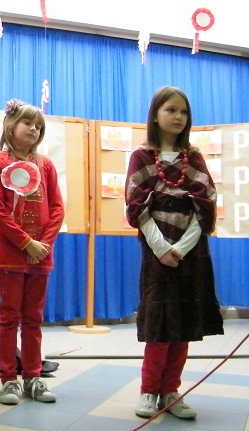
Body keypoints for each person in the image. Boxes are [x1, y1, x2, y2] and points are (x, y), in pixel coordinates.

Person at [125, 86, 224, 420]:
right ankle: (148, 391)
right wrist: (162, 248)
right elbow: (137, 207)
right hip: (156, 253)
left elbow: (205, 206)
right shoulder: (141, 157)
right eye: (170, 110)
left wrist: (180, 248)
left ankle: (170, 391)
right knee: (159, 326)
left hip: (190, 254)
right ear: (155, 115)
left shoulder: (193, 157)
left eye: (183, 111)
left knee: (183, 324)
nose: (178, 117)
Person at [0, 99, 64, 405]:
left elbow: (57, 209)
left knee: (33, 318)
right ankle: (8, 380)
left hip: (41, 255)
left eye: (38, 126)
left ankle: (33, 377)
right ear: (10, 126)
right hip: (10, 255)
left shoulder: (46, 165)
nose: (34, 129)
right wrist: (25, 243)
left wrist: (43, 245)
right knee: (9, 317)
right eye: (28, 123)